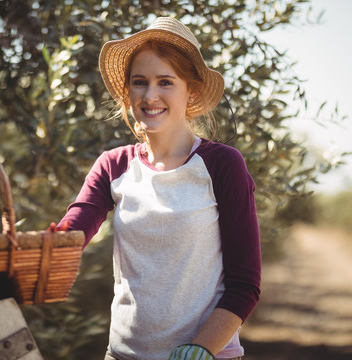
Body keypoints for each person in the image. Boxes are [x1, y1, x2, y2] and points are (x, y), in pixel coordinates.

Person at [56, 17, 261, 360]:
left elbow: (245, 286)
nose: (150, 96)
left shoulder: (222, 165)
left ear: (190, 91)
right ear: (128, 91)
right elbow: (70, 234)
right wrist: (29, 251)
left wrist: (200, 349)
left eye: (165, 82)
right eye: (140, 82)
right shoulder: (114, 165)